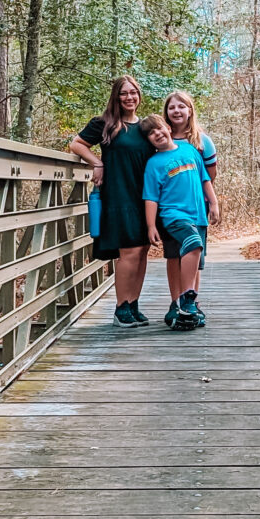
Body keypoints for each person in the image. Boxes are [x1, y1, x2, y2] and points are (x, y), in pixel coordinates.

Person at [69, 76, 154, 328]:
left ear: (139, 95)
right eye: (124, 93)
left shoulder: (146, 127)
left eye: (133, 93)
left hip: (145, 196)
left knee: (142, 251)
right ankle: (121, 307)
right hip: (118, 194)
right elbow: (76, 144)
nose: (129, 97)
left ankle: (134, 303)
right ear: (116, 97)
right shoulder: (104, 124)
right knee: (128, 252)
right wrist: (97, 162)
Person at [139, 114, 220, 331]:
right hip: (173, 215)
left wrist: (214, 204)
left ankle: (185, 306)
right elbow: (151, 197)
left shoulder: (191, 151)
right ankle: (184, 299)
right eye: (151, 134)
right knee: (190, 245)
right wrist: (151, 225)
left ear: (167, 128)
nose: (157, 134)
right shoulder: (154, 163)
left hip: (198, 215)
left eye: (158, 129)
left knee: (195, 259)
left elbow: (205, 179)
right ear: (149, 141)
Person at [163, 91, 217, 305]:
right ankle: (175, 303)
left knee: (194, 254)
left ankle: (191, 303)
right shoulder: (160, 139)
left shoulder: (202, 141)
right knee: (173, 255)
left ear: (190, 110)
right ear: (166, 113)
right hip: (169, 209)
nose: (176, 111)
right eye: (172, 107)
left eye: (181, 106)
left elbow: (209, 176)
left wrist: (212, 202)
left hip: (196, 207)